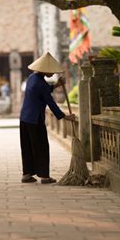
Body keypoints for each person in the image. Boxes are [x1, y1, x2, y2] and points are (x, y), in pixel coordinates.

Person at [19, 52, 75, 184]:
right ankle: (44, 176)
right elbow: (51, 103)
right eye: (51, 71)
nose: (53, 73)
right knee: (42, 146)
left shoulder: (32, 78)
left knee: (27, 146)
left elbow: (43, 91)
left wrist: (56, 85)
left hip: (24, 118)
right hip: (34, 120)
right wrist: (66, 117)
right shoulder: (41, 84)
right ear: (45, 70)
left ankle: (26, 174)